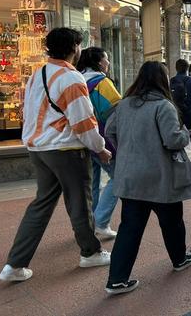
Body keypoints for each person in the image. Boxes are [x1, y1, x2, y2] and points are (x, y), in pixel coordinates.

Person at [0, 28, 112, 282]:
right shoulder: (71, 78)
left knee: (41, 204)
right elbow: (84, 121)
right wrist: (99, 147)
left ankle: (15, 265)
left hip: (38, 149)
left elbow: (27, 112)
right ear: (74, 48)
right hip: (65, 150)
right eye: (79, 45)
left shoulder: (37, 74)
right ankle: (90, 253)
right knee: (80, 203)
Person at [104, 61, 191, 295]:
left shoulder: (124, 104)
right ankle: (179, 259)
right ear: (162, 80)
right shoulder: (163, 106)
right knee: (172, 221)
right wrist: (184, 136)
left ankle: (117, 279)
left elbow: (109, 131)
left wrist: (127, 149)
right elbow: (172, 140)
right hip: (160, 177)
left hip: (130, 177)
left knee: (130, 228)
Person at [76, 47, 121, 240]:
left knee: (92, 183)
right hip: (102, 138)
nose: (108, 63)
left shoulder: (77, 80)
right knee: (118, 177)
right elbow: (114, 112)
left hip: (80, 139)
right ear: (99, 62)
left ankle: (90, 224)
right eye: (107, 59)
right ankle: (101, 221)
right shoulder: (102, 82)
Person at [170, 59, 191, 150]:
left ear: (176, 68)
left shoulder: (171, 81)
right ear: (187, 68)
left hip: (175, 113)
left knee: (175, 136)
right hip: (189, 112)